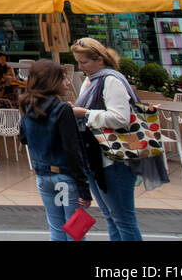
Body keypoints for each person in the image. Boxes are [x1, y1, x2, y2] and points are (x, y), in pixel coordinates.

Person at [71, 37, 168, 242]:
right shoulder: (92, 80)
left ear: (99, 60)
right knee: (112, 217)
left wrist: (86, 114)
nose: (80, 67)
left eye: (84, 62)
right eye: (78, 62)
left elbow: (121, 118)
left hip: (114, 160)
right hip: (97, 157)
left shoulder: (111, 80)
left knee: (122, 218)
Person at [19, 60, 93, 241]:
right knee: (76, 233)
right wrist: (84, 187)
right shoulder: (63, 109)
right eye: (63, 79)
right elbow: (73, 149)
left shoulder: (26, 105)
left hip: (43, 175)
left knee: (57, 230)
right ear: (52, 81)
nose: (67, 83)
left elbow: (23, 138)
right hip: (66, 177)